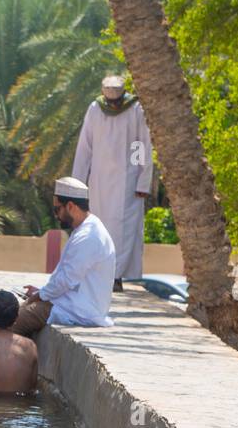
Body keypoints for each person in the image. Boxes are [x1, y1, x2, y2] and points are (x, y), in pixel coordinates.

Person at [72, 74, 153, 291]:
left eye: (116, 102)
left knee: (123, 231)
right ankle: (97, 274)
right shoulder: (95, 109)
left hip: (127, 183)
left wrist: (141, 179)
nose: (114, 106)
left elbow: (140, 145)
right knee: (98, 227)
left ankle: (115, 276)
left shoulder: (135, 110)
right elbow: (85, 148)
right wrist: (78, 184)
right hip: (98, 182)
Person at [13, 177, 117, 337]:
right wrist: (41, 292)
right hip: (71, 304)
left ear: (70, 206)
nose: (56, 215)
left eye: (57, 209)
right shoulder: (85, 229)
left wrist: (37, 297)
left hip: (79, 311)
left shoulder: (88, 235)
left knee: (10, 322)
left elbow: (66, 280)